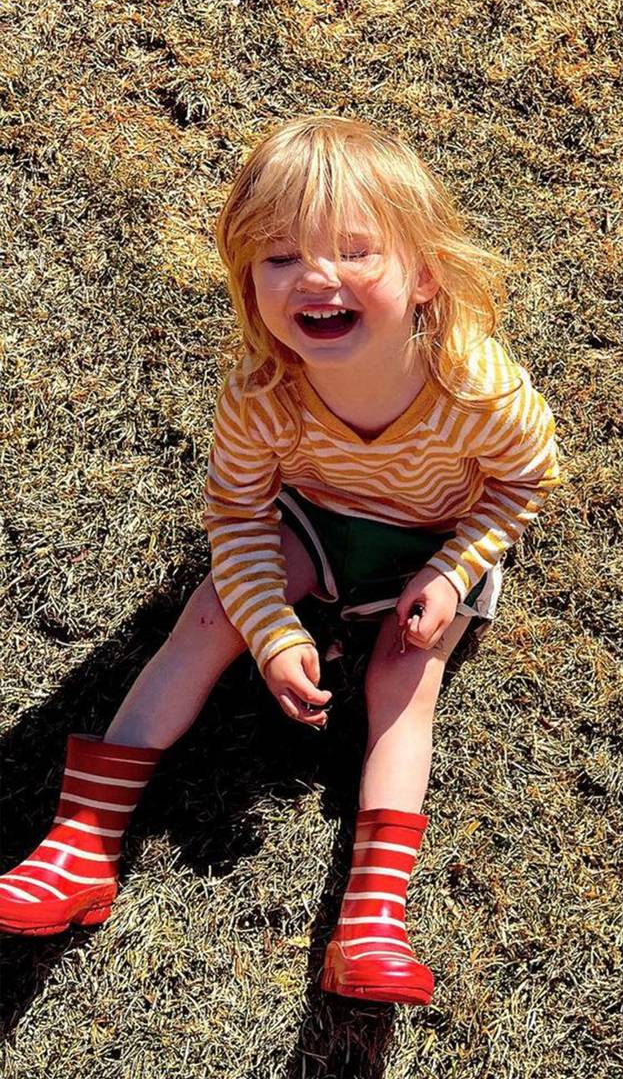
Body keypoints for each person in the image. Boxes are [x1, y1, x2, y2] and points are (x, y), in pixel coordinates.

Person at [0, 115, 561, 1006]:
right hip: (313, 524)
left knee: (402, 679)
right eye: (279, 256)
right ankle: (81, 844)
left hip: (434, 541)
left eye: (354, 250)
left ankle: (373, 922)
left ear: (425, 274)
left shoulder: (478, 387)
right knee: (209, 614)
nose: (315, 277)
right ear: (249, 281)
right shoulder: (263, 393)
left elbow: (524, 484)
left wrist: (454, 569)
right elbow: (237, 513)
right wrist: (270, 631)